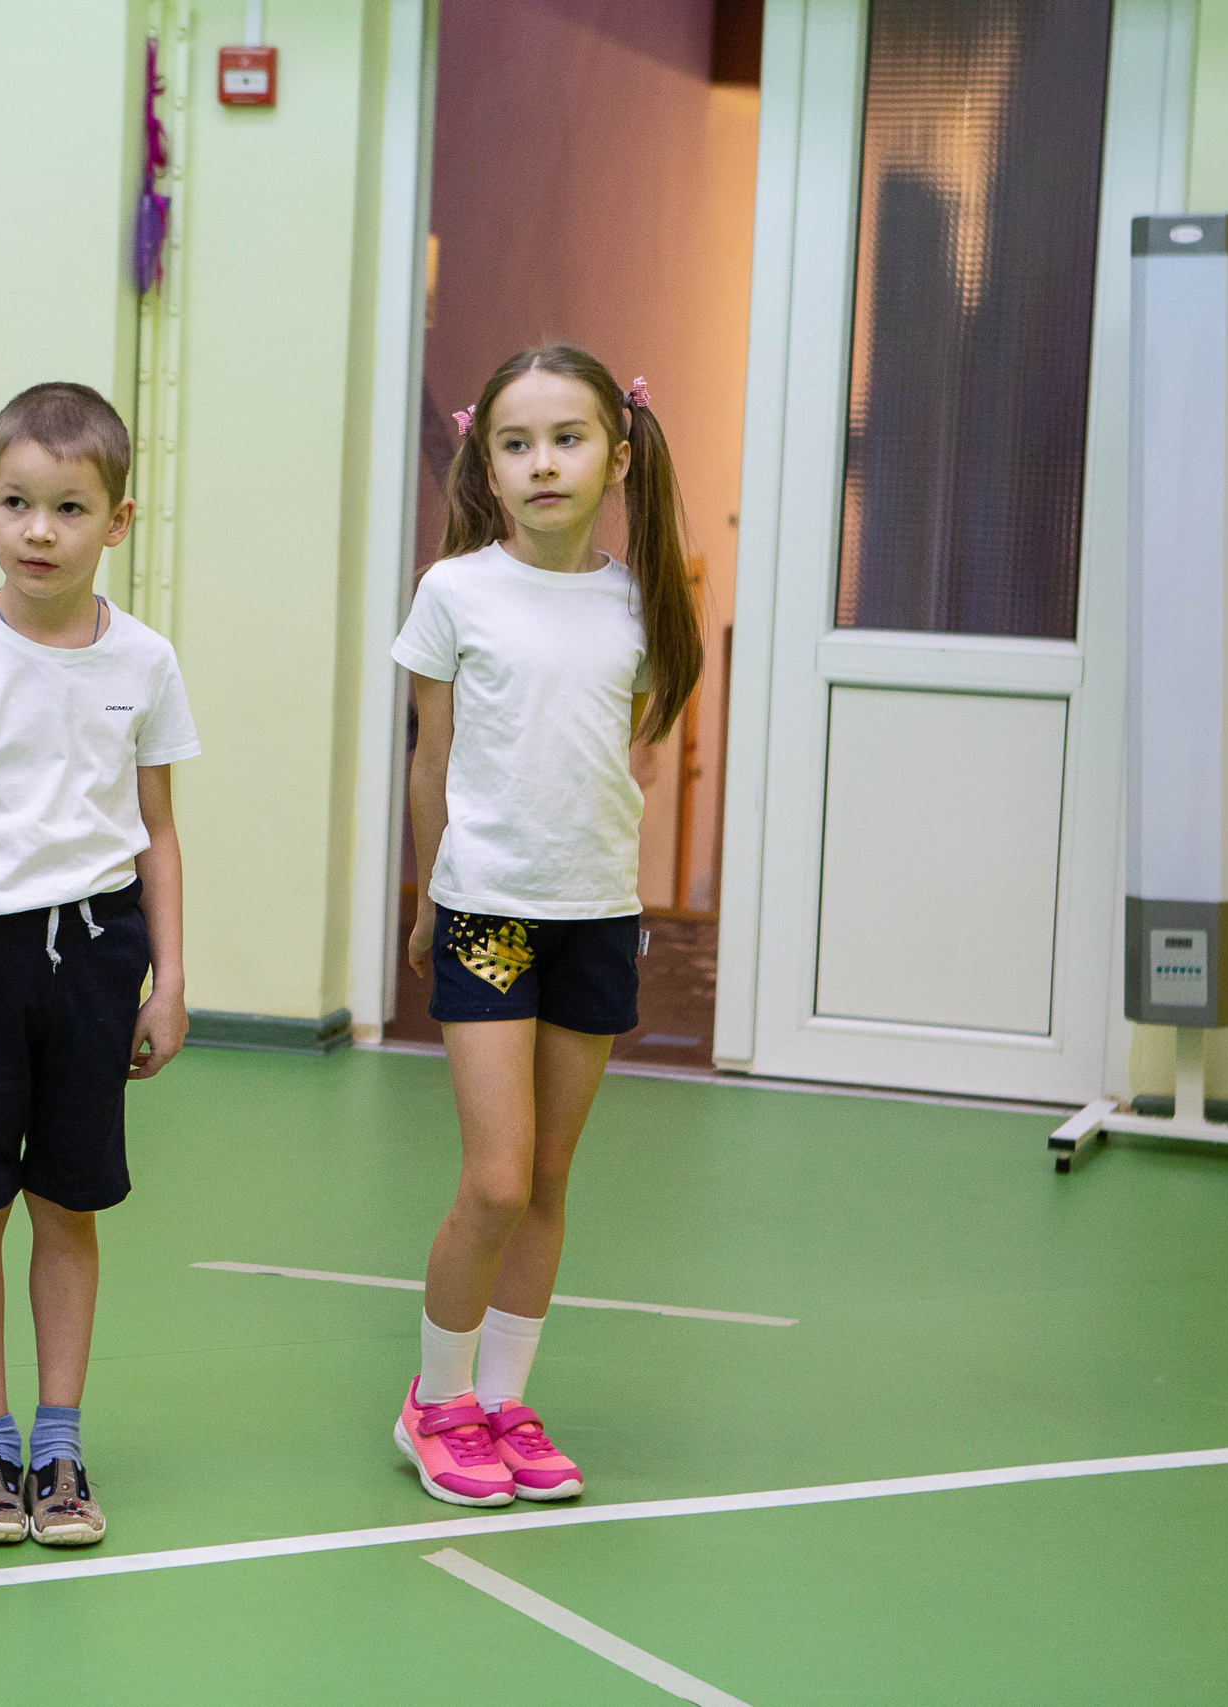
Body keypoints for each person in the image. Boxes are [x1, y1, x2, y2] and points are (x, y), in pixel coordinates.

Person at [0, 381, 200, 1549]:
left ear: (116, 521)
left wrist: (168, 977)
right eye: (17, 503)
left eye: (69, 508)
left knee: (69, 1204)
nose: (39, 531)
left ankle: (59, 1449)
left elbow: (157, 830)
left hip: (99, 955)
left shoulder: (146, 662)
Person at [391, 344, 702, 1507]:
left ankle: (507, 1402)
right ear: (487, 460)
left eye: (565, 439)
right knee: (495, 1179)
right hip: (486, 915)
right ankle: (435, 1403)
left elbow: (633, 757)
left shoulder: (642, 600)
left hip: (595, 921)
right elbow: (433, 763)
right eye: (514, 443)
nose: (540, 463)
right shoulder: (455, 593)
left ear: (617, 456)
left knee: (552, 1178)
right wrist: (430, 893)